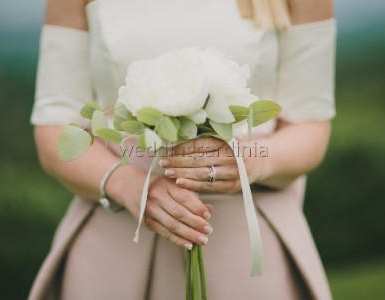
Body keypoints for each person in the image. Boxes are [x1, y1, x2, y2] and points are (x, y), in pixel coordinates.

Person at [28, 0, 336, 299]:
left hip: (248, 240)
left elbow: (309, 127)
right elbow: (54, 127)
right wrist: (129, 186)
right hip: (115, 239)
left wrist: (249, 163)